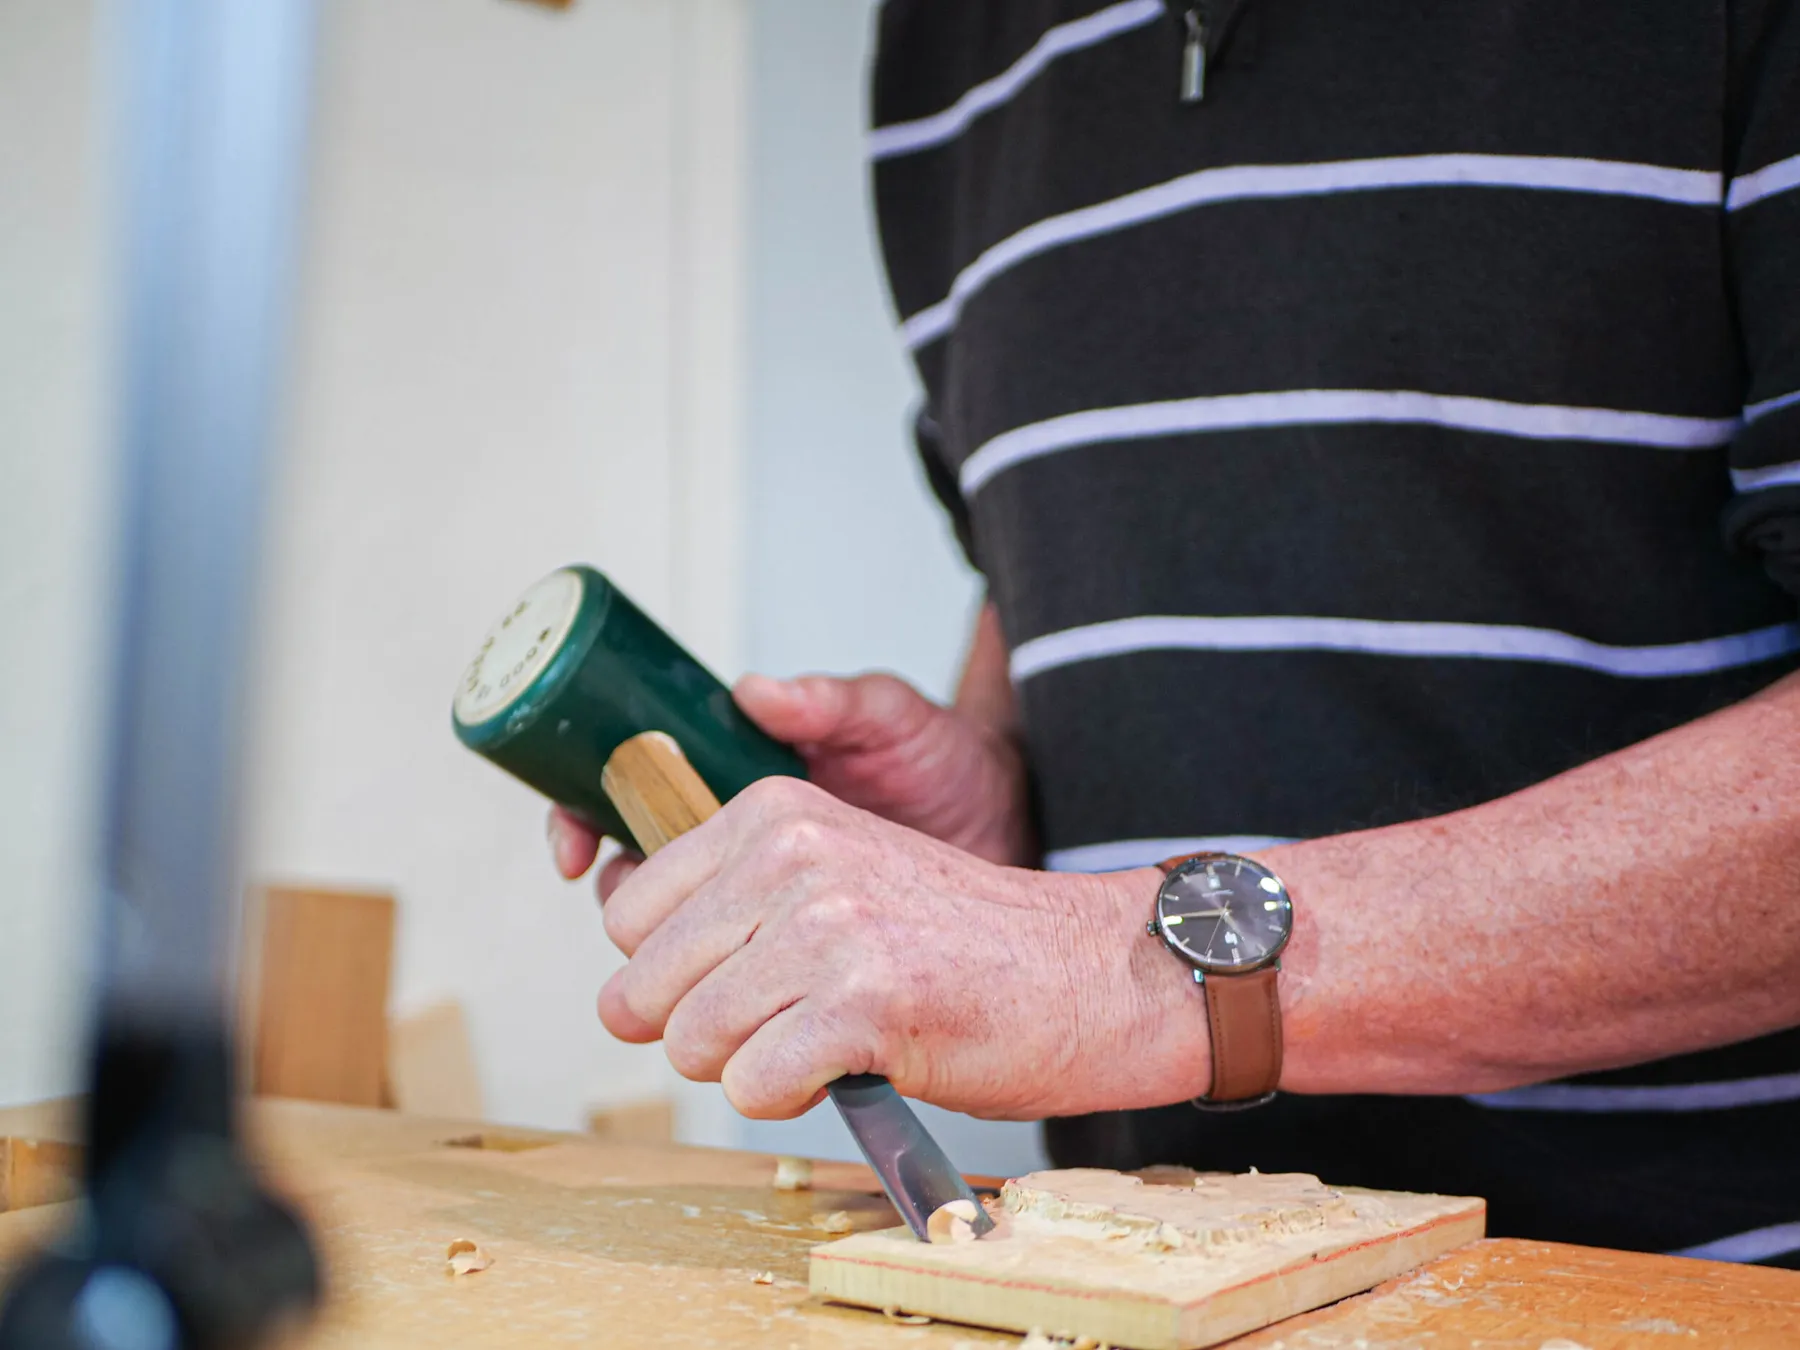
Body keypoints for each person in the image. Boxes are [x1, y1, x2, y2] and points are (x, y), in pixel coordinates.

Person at [548, 1, 1800, 1266]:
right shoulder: (946, 45)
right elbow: (1054, 546)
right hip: (1146, 1271)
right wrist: (1002, 789)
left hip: (1695, 1289)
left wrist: (1124, 970)